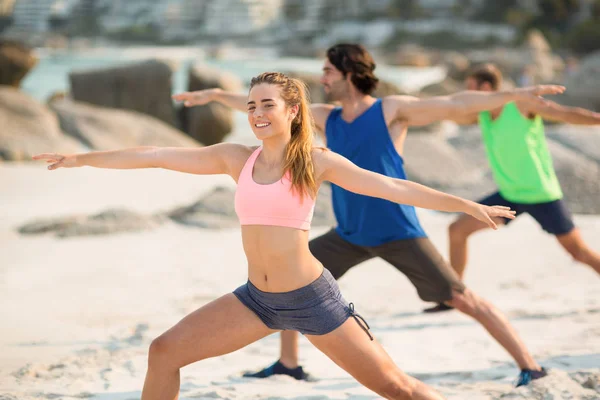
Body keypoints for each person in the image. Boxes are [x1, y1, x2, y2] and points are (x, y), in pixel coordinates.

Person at [34, 71, 519, 400]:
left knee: (398, 389)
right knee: (163, 352)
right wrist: (81, 158)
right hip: (257, 300)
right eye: (250, 105)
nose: (257, 112)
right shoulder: (234, 157)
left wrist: (468, 206)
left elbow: (392, 186)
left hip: (312, 299)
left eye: (267, 104)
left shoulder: (316, 161)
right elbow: (158, 153)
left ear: (293, 110)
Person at [172, 44, 564, 387]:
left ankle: (530, 366)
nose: (322, 77)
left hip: (397, 229)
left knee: (464, 299)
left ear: (349, 73)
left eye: (328, 70)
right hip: (349, 231)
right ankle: (289, 364)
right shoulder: (325, 116)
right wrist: (215, 95)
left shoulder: (391, 109)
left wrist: (516, 94)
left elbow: (457, 104)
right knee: (288, 281)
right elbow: (263, 102)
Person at [445, 63, 600, 290]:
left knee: (578, 252)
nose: (468, 95)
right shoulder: (483, 114)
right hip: (510, 195)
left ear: (486, 88)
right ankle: (454, 294)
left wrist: (598, 119)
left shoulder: (520, 104)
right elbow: (449, 112)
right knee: (457, 230)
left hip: (540, 194)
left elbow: (565, 114)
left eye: (471, 88)